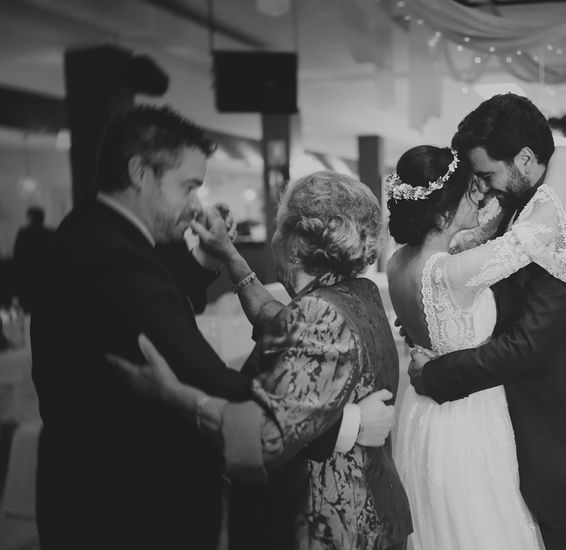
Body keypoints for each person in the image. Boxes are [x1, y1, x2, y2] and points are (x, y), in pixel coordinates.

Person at [31, 105, 393, 550]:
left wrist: (217, 255)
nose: (196, 204)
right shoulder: (115, 254)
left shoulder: (99, 233)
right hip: (118, 498)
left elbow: (267, 325)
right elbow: (211, 370)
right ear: (141, 173)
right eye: (188, 186)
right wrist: (341, 422)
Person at [110, 169, 413, 550]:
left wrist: (175, 394)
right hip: (368, 518)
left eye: (279, 225)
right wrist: (229, 254)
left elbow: (265, 436)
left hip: (327, 528)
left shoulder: (318, 316)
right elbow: (279, 319)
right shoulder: (356, 293)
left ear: (295, 244)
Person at [406, 93, 566, 550]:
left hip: (554, 424)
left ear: (524, 158)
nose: (482, 188)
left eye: (485, 173)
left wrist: (435, 374)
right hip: (501, 414)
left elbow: (526, 344)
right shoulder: (521, 204)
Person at [13, 206, 54, 312]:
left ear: (30, 218)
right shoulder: (50, 234)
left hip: (27, 281)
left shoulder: (23, 234)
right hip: (46, 281)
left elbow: (17, 260)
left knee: (29, 313)